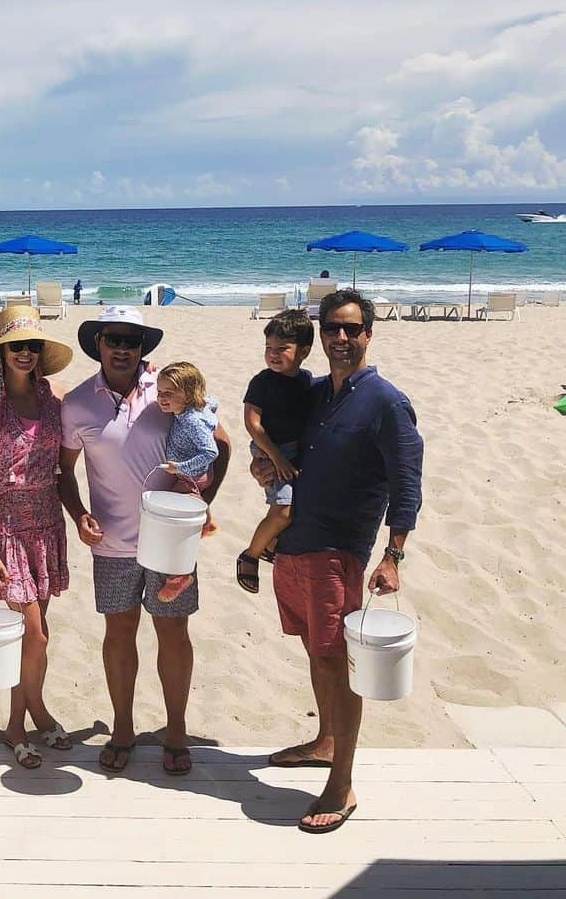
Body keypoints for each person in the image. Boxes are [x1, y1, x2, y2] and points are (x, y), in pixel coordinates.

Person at [252, 288, 423, 833]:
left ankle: (342, 782)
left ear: (369, 333)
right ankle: (326, 741)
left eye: (352, 329)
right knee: (314, 650)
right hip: (296, 543)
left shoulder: (386, 402)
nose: (342, 339)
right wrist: (265, 467)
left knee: (335, 661)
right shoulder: (319, 393)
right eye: (333, 329)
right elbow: (290, 449)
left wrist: (394, 555)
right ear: (319, 336)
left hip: (337, 551)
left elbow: (407, 482)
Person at [59, 306, 231, 777]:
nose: (122, 348)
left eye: (132, 341)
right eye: (113, 339)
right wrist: (78, 514)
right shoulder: (76, 404)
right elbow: (64, 472)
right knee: (119, 634)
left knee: (173, 634)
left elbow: (222, 443)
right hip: (111, 542)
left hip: (170, 541)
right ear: (98, 343)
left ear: (142, 349)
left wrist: (200, 503)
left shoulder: (168, 391)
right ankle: (122, 729)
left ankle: (175, 731)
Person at [0, 306, 75, 768]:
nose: (25, 353)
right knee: (31, 634)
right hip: (7, 525)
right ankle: (15, 726)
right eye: (16, 346)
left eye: (32, 346)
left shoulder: (55, 400)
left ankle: (37, 708)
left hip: (47, 523)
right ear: (1, 353)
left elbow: (67, 465)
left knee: (40, 631)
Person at [237, 309, 314, 595]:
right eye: (268, 348)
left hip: (294, 452)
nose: (273, 354)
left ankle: (270, 546)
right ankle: (250, 555)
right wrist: (275, 457)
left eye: (282, 348)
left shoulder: (306, 381)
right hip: (271, 448)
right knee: (283, 511)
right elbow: (252, 423)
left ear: (304, 351)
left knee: (291, 509)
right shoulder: (262, 381)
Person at [154, 361, 220, 603]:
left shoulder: (191, 420)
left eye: (169, 394)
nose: (162, 398)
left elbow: (210, 452)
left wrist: (179, 468)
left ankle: (180, 575)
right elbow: (213, 401)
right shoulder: (196, 408)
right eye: (160, 392)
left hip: (191, 475)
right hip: (192, 474)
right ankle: (208, 523)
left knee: (173, 524)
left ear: (189, 394)